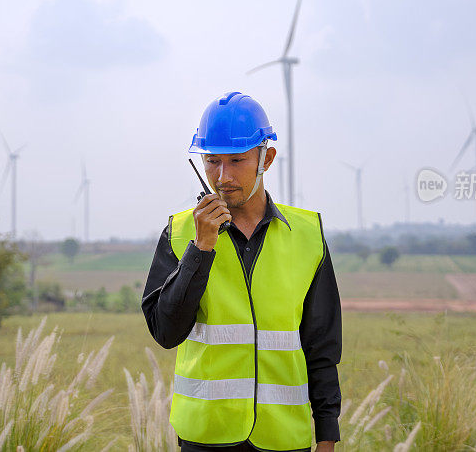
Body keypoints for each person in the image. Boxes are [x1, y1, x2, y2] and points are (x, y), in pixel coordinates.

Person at [142, 91, 342, 452]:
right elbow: (166, 332)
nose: (223, 176)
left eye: (237, 160)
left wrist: (327, 435)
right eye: (212, 161)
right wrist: (200, 249)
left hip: (284, 438)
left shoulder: (308, 236)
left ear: (267, 158)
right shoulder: (180, 233)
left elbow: (322, 344)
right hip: (206, 437)